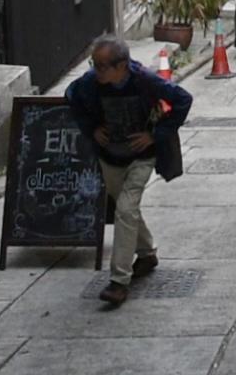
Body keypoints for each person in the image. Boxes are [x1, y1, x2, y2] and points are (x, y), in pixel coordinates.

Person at [65, 34, 193, 307]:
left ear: (121, 65)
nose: (96, 70)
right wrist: (91, 129)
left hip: (141, 157)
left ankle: (119, 281)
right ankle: (147, 253)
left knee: (124, 210)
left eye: (102, 66)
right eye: (94, 64)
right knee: (127, 210)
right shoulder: (89, 83)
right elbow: (71, 97)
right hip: (109, 156)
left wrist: (155, 135)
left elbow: (182, 99)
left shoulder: (145, 80)